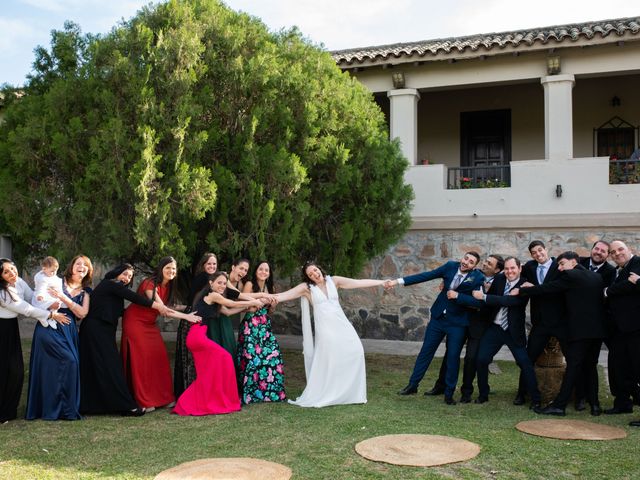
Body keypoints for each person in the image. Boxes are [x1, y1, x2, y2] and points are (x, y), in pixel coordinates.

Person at [274, 261, 385, 408]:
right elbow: (282, 295)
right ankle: (331, 393)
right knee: (332, 358)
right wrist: (258, 298)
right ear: (308, 277)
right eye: (310, 274)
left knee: (356, 351)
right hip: (326, 329)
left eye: (315, 270)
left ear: (319, 268)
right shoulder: (307, 288)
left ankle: (350, 393)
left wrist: (382, 282)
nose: (314, 274)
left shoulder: (334, 281)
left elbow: (358, 282)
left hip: (342, 324)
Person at [387, 252, 484, 404]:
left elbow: (479, 303)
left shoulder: (478, 277)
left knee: (452, 358)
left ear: (474, 266)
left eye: (471, 262)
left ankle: (449, 393)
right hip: (438, 319)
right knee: (425, 352)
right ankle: (413, 385)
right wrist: (398, 281)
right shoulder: (450, 266)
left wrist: (458, 296)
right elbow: (427, 275)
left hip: (457, 324)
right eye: (466, 258)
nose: (466, 262)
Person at [79, 263, 173, 416]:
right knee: (111, 366)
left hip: (104, 331)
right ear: (117, 273)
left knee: (98, 366)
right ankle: (127, 406)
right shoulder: (111, 284)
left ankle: (92, 406)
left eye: (130, 277)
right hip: (95, 330)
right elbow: (134, 298)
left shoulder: (114, 291)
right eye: (124, 274)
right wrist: (157, 306)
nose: (127, 278)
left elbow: (121, 311)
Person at [519, 251, 606, 416]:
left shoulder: (571, 275)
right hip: (598, 331)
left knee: (573, 366)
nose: (559, 268)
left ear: (573, 262)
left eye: (562, 264)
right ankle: (595, 405)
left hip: (580, 331)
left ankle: (559, 405)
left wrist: (525, 290)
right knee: (590, 366)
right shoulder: (596, 277)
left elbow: (549, 288)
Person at [173, 272, 262, 416]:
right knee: (225, 358)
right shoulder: (213, 295)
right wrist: (253, 301)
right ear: (211, 283)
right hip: (198, 336)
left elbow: (228, 311)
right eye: (219, 282)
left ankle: (197, 400)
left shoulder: (213, 300)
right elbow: (231, 303)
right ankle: (222, 398)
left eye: (224, 283)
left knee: (208, 371)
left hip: (197, 336)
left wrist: (247, 309)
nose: (222, 286)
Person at [121, 257, 201, 411]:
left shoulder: (168, 286)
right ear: (161, 269)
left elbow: (171, 305)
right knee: (141, 361)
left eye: (174, 269)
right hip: (135, 323)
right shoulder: (149, 283)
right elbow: (163, 309)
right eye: (168, 268)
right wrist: (187, 317)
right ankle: (144, 400)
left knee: (159, 357)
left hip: (150, 324)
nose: (171, 271)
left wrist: (191, 306)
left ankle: (162, 398)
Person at [461, 257, 541, 407]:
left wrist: (484, 297)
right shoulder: (499, 279)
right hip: (495, 329)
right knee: (481, 360)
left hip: (513, 331)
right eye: (507, 269)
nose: (509, 271)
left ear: (519, 268)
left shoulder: (524, 284)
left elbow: (510, 302)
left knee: (525, 363)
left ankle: (536, 400)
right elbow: (490, 296)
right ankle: (483, 394)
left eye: (513, 268)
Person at [423, 254, 504, 402]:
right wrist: (445, 283)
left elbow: (494, 303)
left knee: (471, 358)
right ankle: (440, 386)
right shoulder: (475, 273)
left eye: (489, 264)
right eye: (485, 261)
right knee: (450, 355)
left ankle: (466, 392)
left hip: (478, 326)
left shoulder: (500, 282)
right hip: (459, 321)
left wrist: (484, 295)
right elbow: (456, 280)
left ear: (497, 270)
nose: (485, 264)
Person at [26, 254, 93, 420]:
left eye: (85, 265)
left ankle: (66, 409)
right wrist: (51, 314)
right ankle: (47, 408)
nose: (82, 267)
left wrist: (63, 298)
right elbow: (36, 298)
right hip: (48, 325)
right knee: (54, 365)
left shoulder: (86, 292)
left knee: (70, 364)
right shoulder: (56, 280)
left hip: (68, 330)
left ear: (88, 270)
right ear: (72, 266)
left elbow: (82, 313)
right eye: (79, 263)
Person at [0, 259, 66, 423]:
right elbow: (25, 308)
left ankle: (8, 411)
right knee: (3, 371)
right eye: (6, 272)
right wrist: (50, 315)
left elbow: (33, 298)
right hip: (1, 329)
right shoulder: (2, 292)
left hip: (11, 328)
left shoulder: (19, 282)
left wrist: (49, 300)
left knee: (16, 371)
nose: (12, 273)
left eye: (13, 269)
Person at [513, 240, 567, 406]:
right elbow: (513, 273)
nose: (538, 254)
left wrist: (532, 288)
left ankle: (577, 397)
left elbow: (554, 289)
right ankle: (522, 393)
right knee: (528, 359)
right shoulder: (529, 267)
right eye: (534, 252)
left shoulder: (559, 267)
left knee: (573, 358)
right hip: (540, 323)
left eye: (540, 250)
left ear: (546, 249)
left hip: (560, 322)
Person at [237, 261, 286, 404]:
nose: (263, 272)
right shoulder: (250, 285)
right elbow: (242, 304)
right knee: (251, 360)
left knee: (273, 356)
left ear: (269, 273)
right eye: (261, 269)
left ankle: (269, 393)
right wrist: (257, 301)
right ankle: (251, 394)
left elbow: (270, 311)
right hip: (250, 326)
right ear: (256, 270)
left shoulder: (270, 287)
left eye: (266, 270)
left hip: (264, 326)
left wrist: (273, 306)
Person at [602, 240, 640, 425]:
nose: (617, 254)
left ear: (629, 250)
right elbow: (627, 286)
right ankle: (623, 403)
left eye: (620, 250)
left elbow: (634, 286)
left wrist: (609, 291)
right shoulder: (616, 271)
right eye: (613, 252)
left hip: (636, 328)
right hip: (618, 330)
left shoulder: (638, 263)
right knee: (619, 368)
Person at [174, 252, 218, 398]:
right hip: (192, 320)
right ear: (203, 265)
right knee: (191, 360)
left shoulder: (209, 279)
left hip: (194, 318)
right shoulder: (204, 278)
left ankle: (191, 392)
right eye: (209, 264)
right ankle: (191, 394)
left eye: (214, 264)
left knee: (192, 359)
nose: (212, 266)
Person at [31, 256, 62, 329]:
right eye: (52, 271)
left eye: (56, 271)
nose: (54, 273)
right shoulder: (42, 278)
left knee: (58, 302)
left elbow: (57, 283)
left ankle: (51, 317)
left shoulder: (52, 276)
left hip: (51, 295)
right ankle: (45, 317)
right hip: (42, 295)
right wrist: (40, 295)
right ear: (44, 269)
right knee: (45, 305)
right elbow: (41, 288)